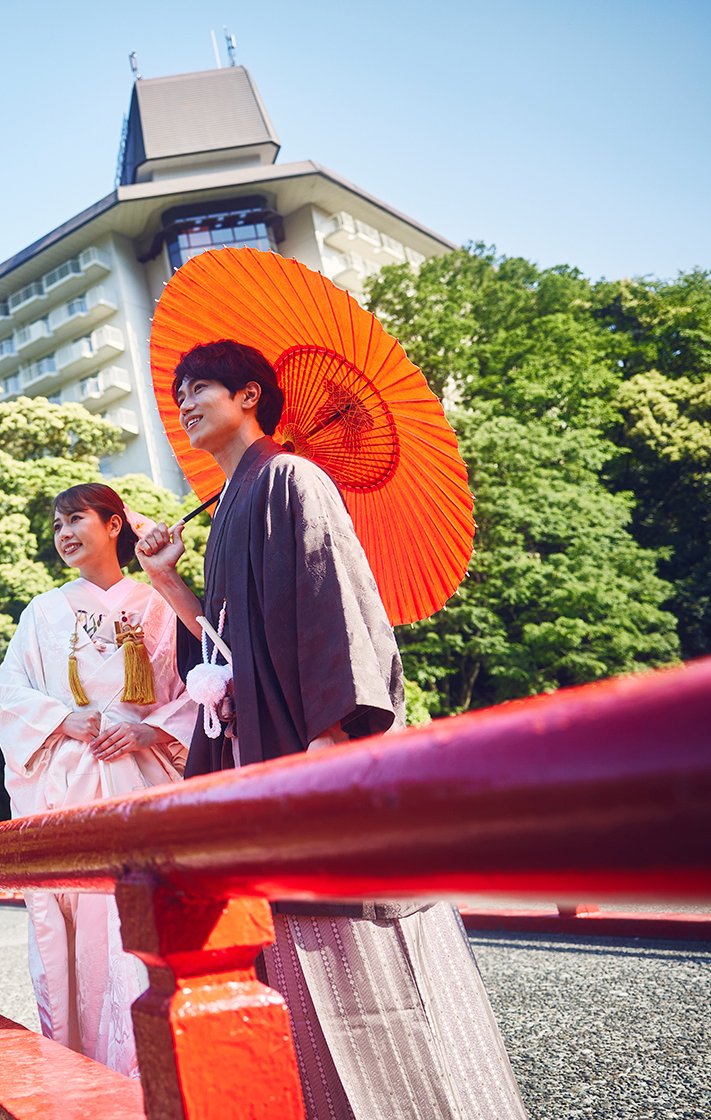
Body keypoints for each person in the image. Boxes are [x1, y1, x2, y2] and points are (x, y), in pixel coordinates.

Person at [135, 340, 527, 1119]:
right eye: (177, 393)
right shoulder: (234, 501)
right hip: (264, 750)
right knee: (296, 956)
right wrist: (170, 580)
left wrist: (334, 742)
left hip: (311, 752)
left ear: (250, 395)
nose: (182, 403)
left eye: (201, 387)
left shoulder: (290, 478)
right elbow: (230, 644)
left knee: (357, 936)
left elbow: (335, 608)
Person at [0, 482, 196, 1078]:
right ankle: (100, 1074)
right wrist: (62, 717)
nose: (64, 534)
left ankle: (167, 1063)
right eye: (56, 525)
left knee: (146, 911)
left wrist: (149, 732)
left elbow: (199, 685)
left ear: (114, 525)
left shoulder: (158, 603)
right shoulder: (44, 611)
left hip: (142, 781)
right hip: (72, 788)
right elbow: (6, 690)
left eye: (76, 518)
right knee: (82, 924)